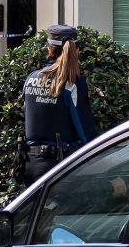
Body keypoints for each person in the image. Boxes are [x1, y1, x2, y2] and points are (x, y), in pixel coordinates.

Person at [20, 24, 99, 183]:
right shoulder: (71, 84)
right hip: (58, 169)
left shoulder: (31, 78)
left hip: (29, 165)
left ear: (49, 50)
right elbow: (86, 133)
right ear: (75, 51)